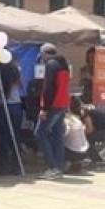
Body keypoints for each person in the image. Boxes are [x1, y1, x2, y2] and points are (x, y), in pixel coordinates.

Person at [36, 43, 72, 180]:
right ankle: (59, 166)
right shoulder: (63, 64)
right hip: (63, 103)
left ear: (44, 53)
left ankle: (52, 167)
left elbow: (48, 88)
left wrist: (44, 109)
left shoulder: (51, 65)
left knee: (40, 133)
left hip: (53, 105)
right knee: (58, 135)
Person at [0, 60, 24, 175]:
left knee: (3, 137)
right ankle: (17, 166)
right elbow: (21, 84)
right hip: (16, 105)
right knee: (16, 137)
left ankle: (3, 166)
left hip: (2, 105)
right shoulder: (16, 69)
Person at [69, 97, 105, 164]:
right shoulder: (84, 110)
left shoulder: (84, 112)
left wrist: (79, 133)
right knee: (87, 137)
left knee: (87, 140)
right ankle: (91, 158)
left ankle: (97, 160)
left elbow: (89, 129)